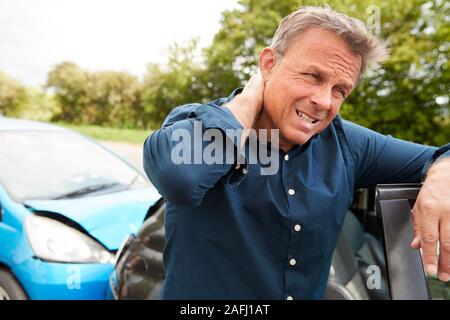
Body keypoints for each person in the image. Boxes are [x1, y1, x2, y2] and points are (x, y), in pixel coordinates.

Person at [143, 6, 450, 299]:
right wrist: (249, 99)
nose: (324, 101)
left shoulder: (348, 144)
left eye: (340, 90)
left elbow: (438, 156)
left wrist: (441, 175)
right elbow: (180, 179)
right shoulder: (196, 123)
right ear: (269, 64)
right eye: (312, 76)